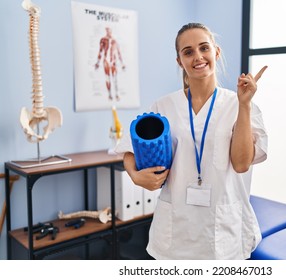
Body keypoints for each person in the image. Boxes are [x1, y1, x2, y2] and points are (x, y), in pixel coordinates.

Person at [118, 22, 268, 259]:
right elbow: (129, 149)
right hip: (177, 226)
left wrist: (244, 105)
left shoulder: (237, 104)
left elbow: (241, 164)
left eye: (204, 48)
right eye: (188, 52)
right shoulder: (163, 106)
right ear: (180, 61)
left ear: (216, 52)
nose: (198, 57)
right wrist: (135, 176)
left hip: (223, 228)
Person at [95, 26, 126, 101]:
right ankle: (109, 94)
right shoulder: (103, 40)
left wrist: (122, 64)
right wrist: (98, 62)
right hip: (106, 61)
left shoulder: (114, 41)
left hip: (113, 62)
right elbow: (100, 51)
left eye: (110, 31)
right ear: (106, 31)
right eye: (107, 31)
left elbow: (118, 52)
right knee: (108, 78)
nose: (109, 32)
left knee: (115, 79)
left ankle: (116, 94)